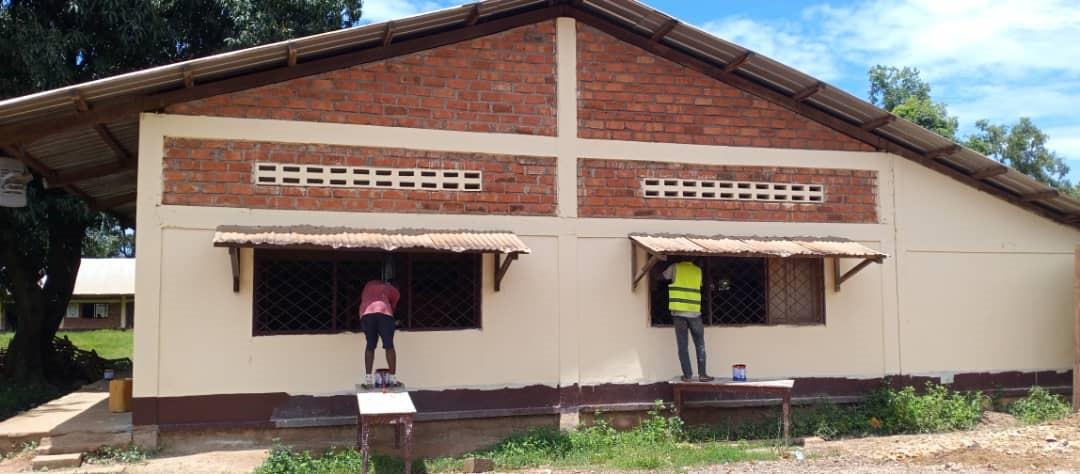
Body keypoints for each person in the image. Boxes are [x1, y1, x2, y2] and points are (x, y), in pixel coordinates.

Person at [661, 257, 713, 382]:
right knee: (700, 344)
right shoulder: (697, 270)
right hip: (694, 313)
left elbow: (663, 277)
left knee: (682, 345)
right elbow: (699, 285)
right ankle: (703, 374)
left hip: (678, 313)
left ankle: (688, 376)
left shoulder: (674, 267)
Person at [359, 278, 400, 385]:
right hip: (384, 313)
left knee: (370, 346)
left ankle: (368, 380)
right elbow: (393, 308)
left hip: (366, 314)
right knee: (389, 346)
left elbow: (363, 298)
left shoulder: (369, 284)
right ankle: (393, 380)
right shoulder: (394, 291)